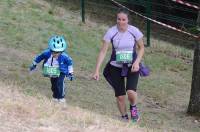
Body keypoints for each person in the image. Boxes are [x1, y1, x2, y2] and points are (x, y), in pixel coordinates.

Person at [92, 8, 144, 122]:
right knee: (120, 96)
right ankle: (124, 117)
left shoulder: (134, 31)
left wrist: (137, 62)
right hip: (115, 66)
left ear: (128, 20)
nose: (121, 22)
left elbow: (141, 48)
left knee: (130, 92)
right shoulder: (111, 32)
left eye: (123, 19)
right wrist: (96, 70)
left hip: (132, 66)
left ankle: (133, 108)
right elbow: (103, 51)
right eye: (119, 19)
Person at [29, 35, 74, 103]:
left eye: (58, 52)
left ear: (62, 51)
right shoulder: (46, 53)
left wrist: (70, 73)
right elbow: (39, 58)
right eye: (53, 51)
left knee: (60, 82)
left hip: (62, 71)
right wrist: (34, 64)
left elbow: (70, 63)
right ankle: (55, 97)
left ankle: (61, 98)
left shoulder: (65, 56)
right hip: (52, 70)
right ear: (50, 49)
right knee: (54, 85)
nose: (55, 54)